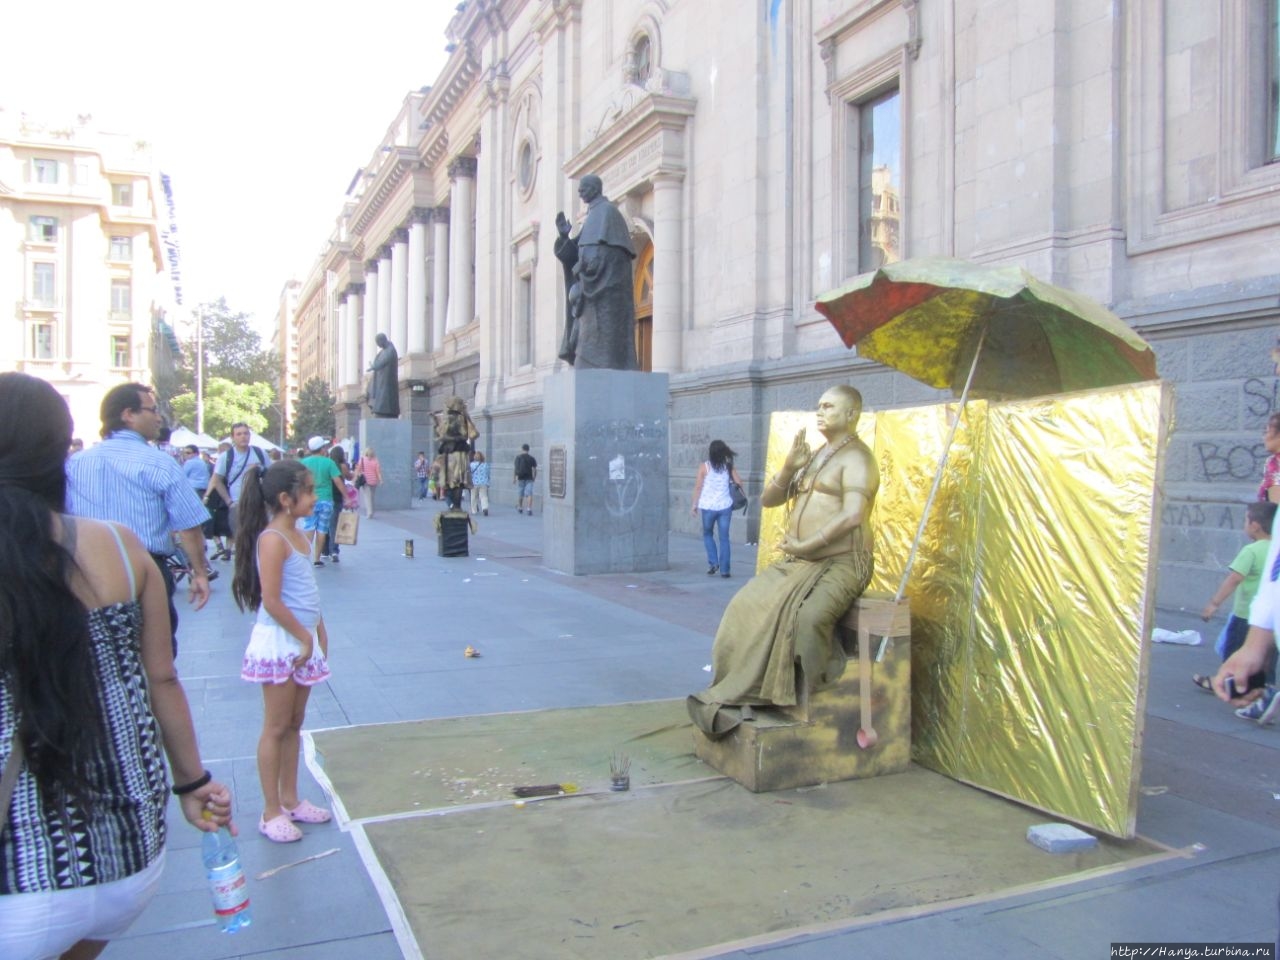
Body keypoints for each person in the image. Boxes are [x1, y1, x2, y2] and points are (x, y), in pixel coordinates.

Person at [0, 372, 234, 959]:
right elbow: (162, 678)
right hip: (127, 856)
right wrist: (194, 783)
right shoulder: (124, 549)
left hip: (20, 873)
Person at [688, 386, 879, 738]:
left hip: (843, 562)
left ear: (852, 414)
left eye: (829, 407)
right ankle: (759, 688)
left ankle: (820, 697)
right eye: (818, 405)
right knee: (744, 606)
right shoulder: (817, 454)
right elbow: (769, 500)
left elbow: (853, 515)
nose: (819, 412)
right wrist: (790, 466)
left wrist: (808, 545)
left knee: (808, 618)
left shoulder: (858, 459)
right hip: (801, 561)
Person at [65, 382, 211, 659]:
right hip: (144, 571)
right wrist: (199, 572)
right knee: (156, 658)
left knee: (100, 656)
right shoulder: (158, 462)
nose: (159, 417)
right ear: (128, 414)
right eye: (152, 410)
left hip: (86, 572)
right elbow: (189, 525)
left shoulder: (74, 463)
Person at [231, 460, 332, 844]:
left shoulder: (300, 534)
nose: (315, 496)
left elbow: (306, 593)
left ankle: (290, 799)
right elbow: (272, 600)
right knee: (275, 726)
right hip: (281, 640)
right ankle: (270, 809)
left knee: (294, 722)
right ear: (286, 499)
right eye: (308, 490)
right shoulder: (272, 539)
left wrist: (318, 631)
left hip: (302, 637)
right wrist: (304, 637)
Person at [552, 174, 639, 370]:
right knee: (585, 353)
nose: (579, 192)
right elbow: (578, 254)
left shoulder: (608, 213)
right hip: (590, 297)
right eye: (579, 189)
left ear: (594, 189)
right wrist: (564, 237)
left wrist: (588, 270)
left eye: (583, 188)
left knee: (602, 352)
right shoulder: (593, 215)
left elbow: (612, 256)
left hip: (604, 297)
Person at [1195, 501, 1277, 694]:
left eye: (1245, 520)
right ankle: (1267, 689)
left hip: (1245, 615)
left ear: (1255, 525)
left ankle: (1227, 684)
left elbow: (1234, 579)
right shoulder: (1276, 549)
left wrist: (1214, 603)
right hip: (1270, 619)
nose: (1244, 524)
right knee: (1267, 657)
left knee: (1233, 650)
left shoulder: (1251, 551)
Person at [205, 422, 268, 545]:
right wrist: (229, 501)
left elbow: (270, 474)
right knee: (241, 541)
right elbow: (217, 480)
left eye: (246, 433)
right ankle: (243, 563)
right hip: (237, 504)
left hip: (258, 503)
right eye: (239, 434)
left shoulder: (260, 453)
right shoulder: (226, 457)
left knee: (259, 539)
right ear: (233, 437)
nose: (243, 436)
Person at [690, 440, 745, 578]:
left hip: (708, 507)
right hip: (725, 506)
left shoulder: (704, 467)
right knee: (724, 538)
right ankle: (725, 570)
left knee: (708, 534)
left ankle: (713, 563)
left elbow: (698, 487)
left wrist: (694, 505)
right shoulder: (728, 467)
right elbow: (739, 482)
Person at [300, 438, 344, 567]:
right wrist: (346, 496)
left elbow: (299, 481)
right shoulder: (329, 462)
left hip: (309, 500)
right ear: (322, 448)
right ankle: (317, 559)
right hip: (326, 500)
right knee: (322, 529)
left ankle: (305, 556)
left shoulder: (304, 463)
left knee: (309, 526)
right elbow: (337, 480)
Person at [327, 446, 355, 563]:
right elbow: (349, 477)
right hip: (337, 497)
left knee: (325, 525)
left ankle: (324, 550)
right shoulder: (342, 466)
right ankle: (334, 550)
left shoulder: (328, 464)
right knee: (334, 525)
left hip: (327, 496)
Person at [367, 333, 400, 418]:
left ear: (382, 340)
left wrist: (374, 367)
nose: (378, 346)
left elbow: (383, 361)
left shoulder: (390, 350)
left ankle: (384, 412)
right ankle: (380, 410)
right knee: (378, 396)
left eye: (378, 343)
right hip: (381, 380)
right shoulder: (384, 351)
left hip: (387, 381)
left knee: (385, 398)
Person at [354, 447, 382, 519]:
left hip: (365, 481)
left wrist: (356, 477)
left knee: (367, 497)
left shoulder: (362, 459)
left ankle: (369, 512)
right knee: (372, 497)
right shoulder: (376, 460)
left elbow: (358, 469)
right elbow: (378, 472)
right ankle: (372, 511)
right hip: (374, 481)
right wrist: (381, 480)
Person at [1259, 413, 1280, 503]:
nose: (1264, 437)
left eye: (1267, 432)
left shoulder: (1275, 464)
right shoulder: (1272, 461)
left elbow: (1276, 505)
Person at [514, 443, 538, 515]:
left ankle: (520, 507)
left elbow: (516, 469)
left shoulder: (518, 457)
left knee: (520, 494)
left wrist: (514, 478)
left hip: (521, 478)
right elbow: (534, 469)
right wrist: (534, 477)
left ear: (522, 449)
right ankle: (529, 509)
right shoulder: (532, 458)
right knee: (529, 494)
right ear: (528, 449)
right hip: (529, 478)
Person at [470, 452, 491, 516]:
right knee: (484, 496)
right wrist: (488, 482)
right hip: (483, 482)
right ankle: (485, 508)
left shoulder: (471, 465)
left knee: (473, 497)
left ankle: (474, 510)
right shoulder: (486, 465)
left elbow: (469, 473)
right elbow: (488, 474)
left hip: (474, 482)